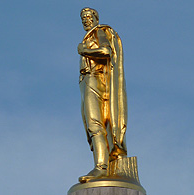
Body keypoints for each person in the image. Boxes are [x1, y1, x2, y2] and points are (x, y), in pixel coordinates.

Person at [77, 7, 128, 183]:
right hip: (87, 81)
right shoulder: (90, 35)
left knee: (95, 124)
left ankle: (101, 167)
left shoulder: (99, 32)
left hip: (95, 79)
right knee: (92, 125)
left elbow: (106, 51)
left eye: (89, 16)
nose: (86, 20)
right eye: (83, 17)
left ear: (96, 18)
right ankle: (103, 164)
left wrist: (85, 50)